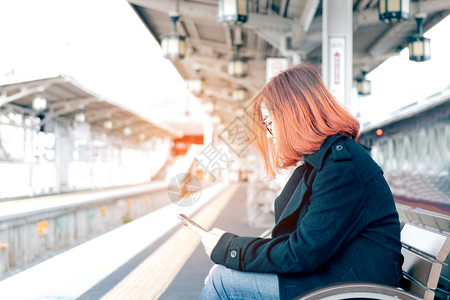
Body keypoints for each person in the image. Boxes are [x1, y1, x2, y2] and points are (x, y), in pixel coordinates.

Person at [198, 63, 404, 300]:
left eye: (269, 122)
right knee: (224, 274)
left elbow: (302, 252)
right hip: (338, 278)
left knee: (222, 281)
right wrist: (232, 259)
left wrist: (231, 250)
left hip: (352, 288)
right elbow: (302, 243)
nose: (268, 133)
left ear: (292, 116)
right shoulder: (327, 162)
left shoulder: (341, 167)